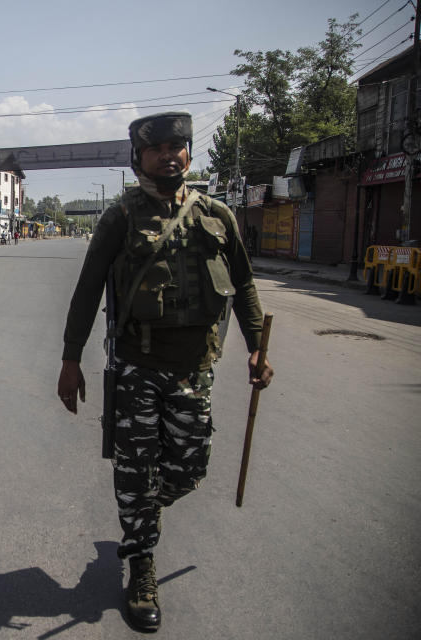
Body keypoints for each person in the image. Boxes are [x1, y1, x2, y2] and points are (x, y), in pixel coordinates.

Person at [56, 112, 273, 632]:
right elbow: (87, 291)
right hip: (136, 368)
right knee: (135, 471)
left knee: (190, 468)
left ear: (190, 154)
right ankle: (142, 563)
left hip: (195, 368)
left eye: (179, 145)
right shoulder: (120, 218)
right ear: (139, 158)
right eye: (158, 148)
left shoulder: (218, 215)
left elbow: (242, 285)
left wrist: (256, 347)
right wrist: (70, 359)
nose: (169, 155)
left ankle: (141, 516)